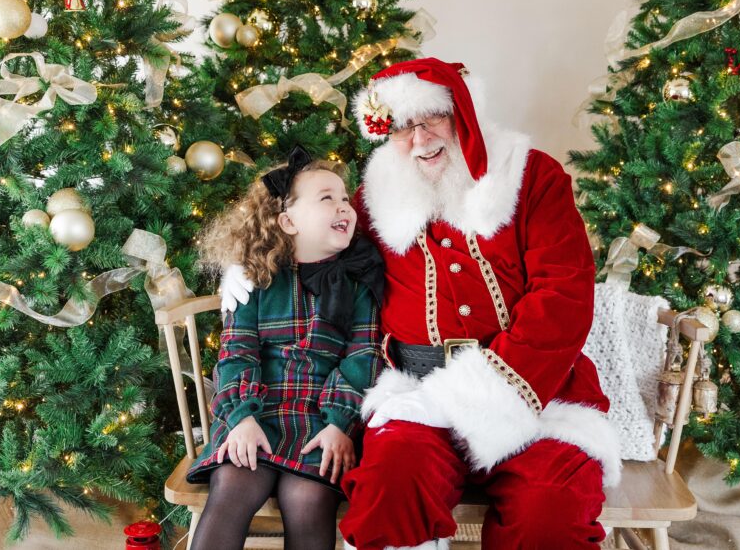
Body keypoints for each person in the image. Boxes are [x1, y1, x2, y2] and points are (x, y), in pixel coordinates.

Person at [224, 59, 621, 550]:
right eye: (401, 127)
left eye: (430, 118)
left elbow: (564, 295)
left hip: (535, 396)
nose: (419, 138)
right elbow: (317, 244)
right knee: (388, 494)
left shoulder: (531, 176)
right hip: (418, 394)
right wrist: (253, 265)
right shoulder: (372, 199)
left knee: (550, 516)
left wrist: (491, 393)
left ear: (462, 112)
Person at [189, 145, 384, 550]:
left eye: (345, 198)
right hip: (257, 415)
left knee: (308, 497)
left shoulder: (359, 284)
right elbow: (236, 353)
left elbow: (362, 357)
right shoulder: (258, 280)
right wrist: (241, 416)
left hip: (320, 423)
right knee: (233, 483)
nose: (343, 206)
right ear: (288, 221)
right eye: (326, 198)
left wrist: (339, 423)